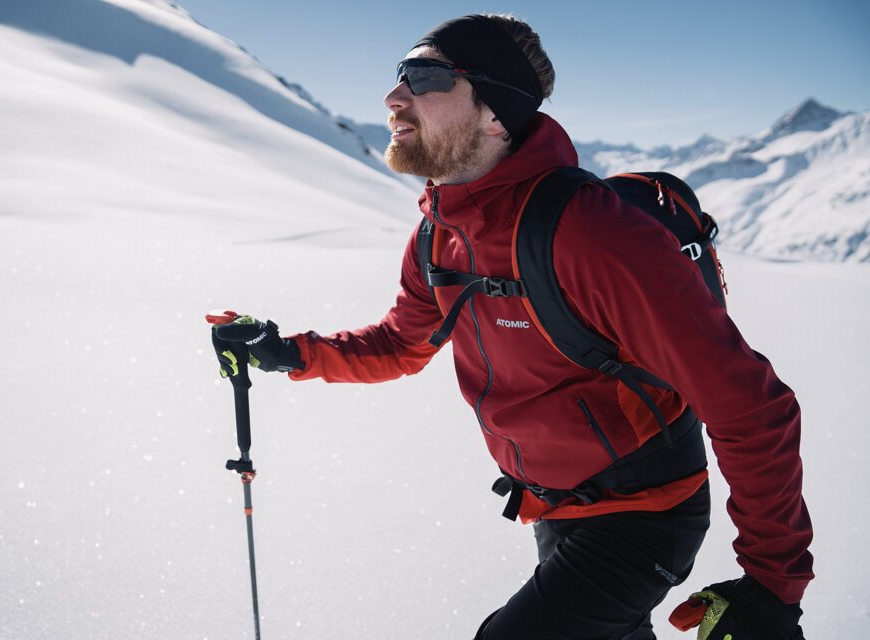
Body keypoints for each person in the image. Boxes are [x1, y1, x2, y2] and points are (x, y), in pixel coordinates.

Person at [209, 14, 813, 639]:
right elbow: (400, 345)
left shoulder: (593, 234)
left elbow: (751, 406)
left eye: (425, 77)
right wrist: (286, 352)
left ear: (496, 113)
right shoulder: (438, 236)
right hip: (553, 507)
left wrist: (773, 586)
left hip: (645, 511)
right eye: (397, 77)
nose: (394, 97)